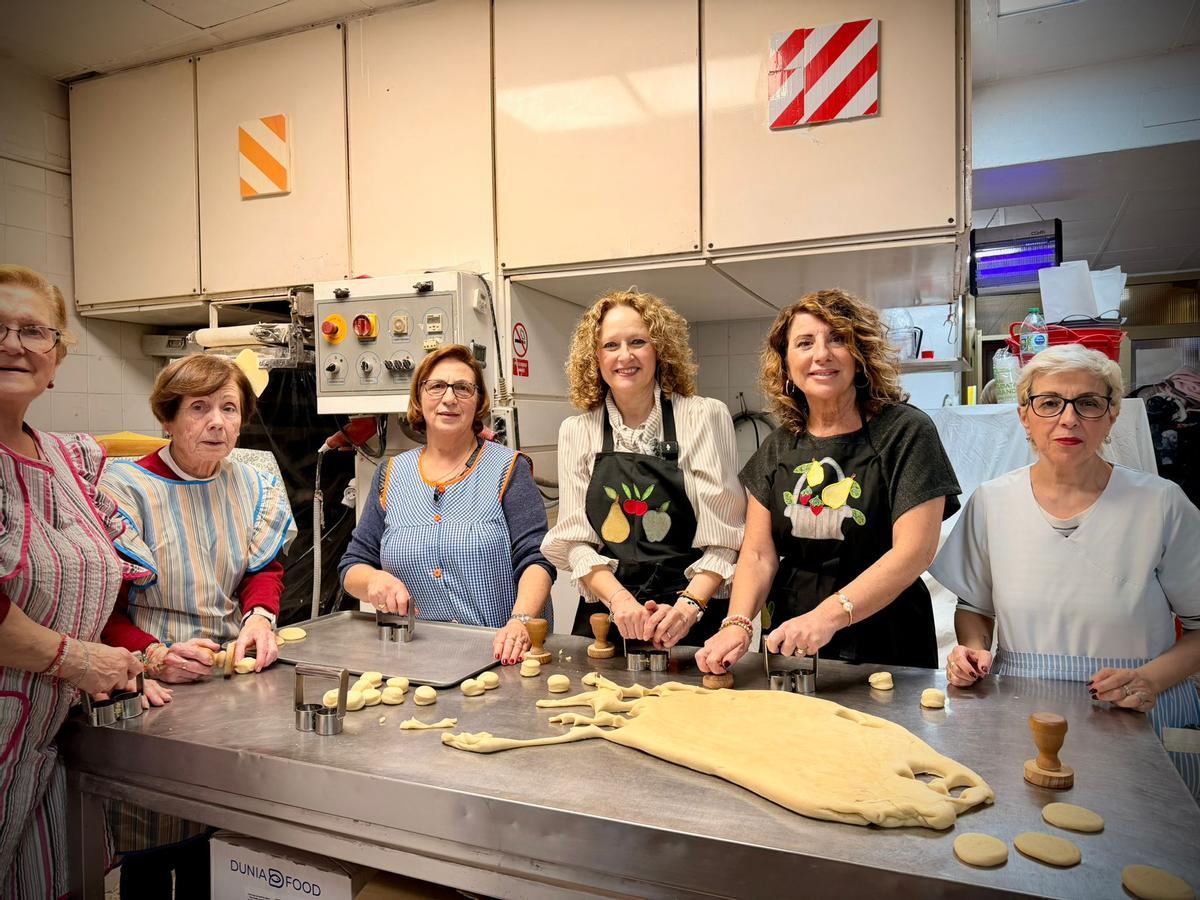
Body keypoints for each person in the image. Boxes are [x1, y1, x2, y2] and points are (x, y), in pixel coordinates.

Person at [931, 344, 1200, 798]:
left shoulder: (1161, 504)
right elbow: (975, 607)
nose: (1068, 419)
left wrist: (1148, 680)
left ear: (1112, 415)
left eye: (1089, 403)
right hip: (1022, 712)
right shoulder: (993, 502)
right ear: (1024, 415)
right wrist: (971, 650)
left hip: (1136, 713)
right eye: (1050, 402)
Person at [99, 352, 296, 897]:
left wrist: (259, 616)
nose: (217, 422)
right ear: (167, 417)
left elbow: (264, 567)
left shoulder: (252, 479)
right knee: (155, 843)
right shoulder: (124, 489)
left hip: (229, 681)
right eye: (199, 407)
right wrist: (152, 655)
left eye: (229, 408)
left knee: (221, 841)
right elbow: (101, 610)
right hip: (151, 684)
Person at [696, 289, 960, 676]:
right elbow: (757, 554)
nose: (821, 354)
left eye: (837, 338)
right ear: (787, 364)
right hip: (791, 631)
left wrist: (827, 617)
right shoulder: (778, 445)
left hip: (886, 632)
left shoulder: (905, 432)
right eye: (805, 343)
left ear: (861, 353)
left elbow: (914, 552)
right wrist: (736, 623)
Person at [0, 265, 149, 899]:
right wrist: (80, 660)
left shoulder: (71, 460)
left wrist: (145, 651)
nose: (13, 344)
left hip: (47, 743)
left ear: (56, 358)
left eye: (33, 331)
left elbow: (108, 581)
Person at [542, 289, 745, 649]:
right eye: (611, 346)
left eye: (638, 342)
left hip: (691, 613)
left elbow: (726, 539)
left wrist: (687, 607)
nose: (625, 356)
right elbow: (574, 540)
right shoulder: (577, 431)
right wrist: (620, 601)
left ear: (659, 350)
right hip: (609, 613)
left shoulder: (702, 416)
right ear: (595, 357)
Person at [340, 344, 554, 664]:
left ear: (479, 401)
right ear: (419, 398)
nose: (449, 398)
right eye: (437, 386)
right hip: (415, 658)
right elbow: (352, 564)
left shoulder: (508, 469)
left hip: (504, 653)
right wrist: (373, 581)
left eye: (464, 388)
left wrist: (520, 622)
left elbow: (537, 559)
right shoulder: (391, 475)